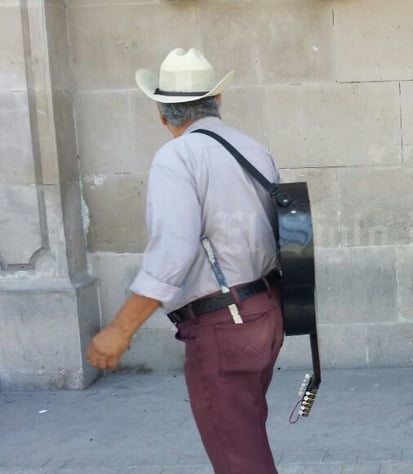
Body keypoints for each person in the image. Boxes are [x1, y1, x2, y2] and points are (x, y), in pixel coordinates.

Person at [85, 48, 284, 473]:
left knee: (238, 458)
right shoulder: (252, 149)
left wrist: (120, 330)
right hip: (265, 313)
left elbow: (172, 254)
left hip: (223, 325)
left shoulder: (177, 157)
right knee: (245, 443)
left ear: (162, 112)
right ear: (216, 101)